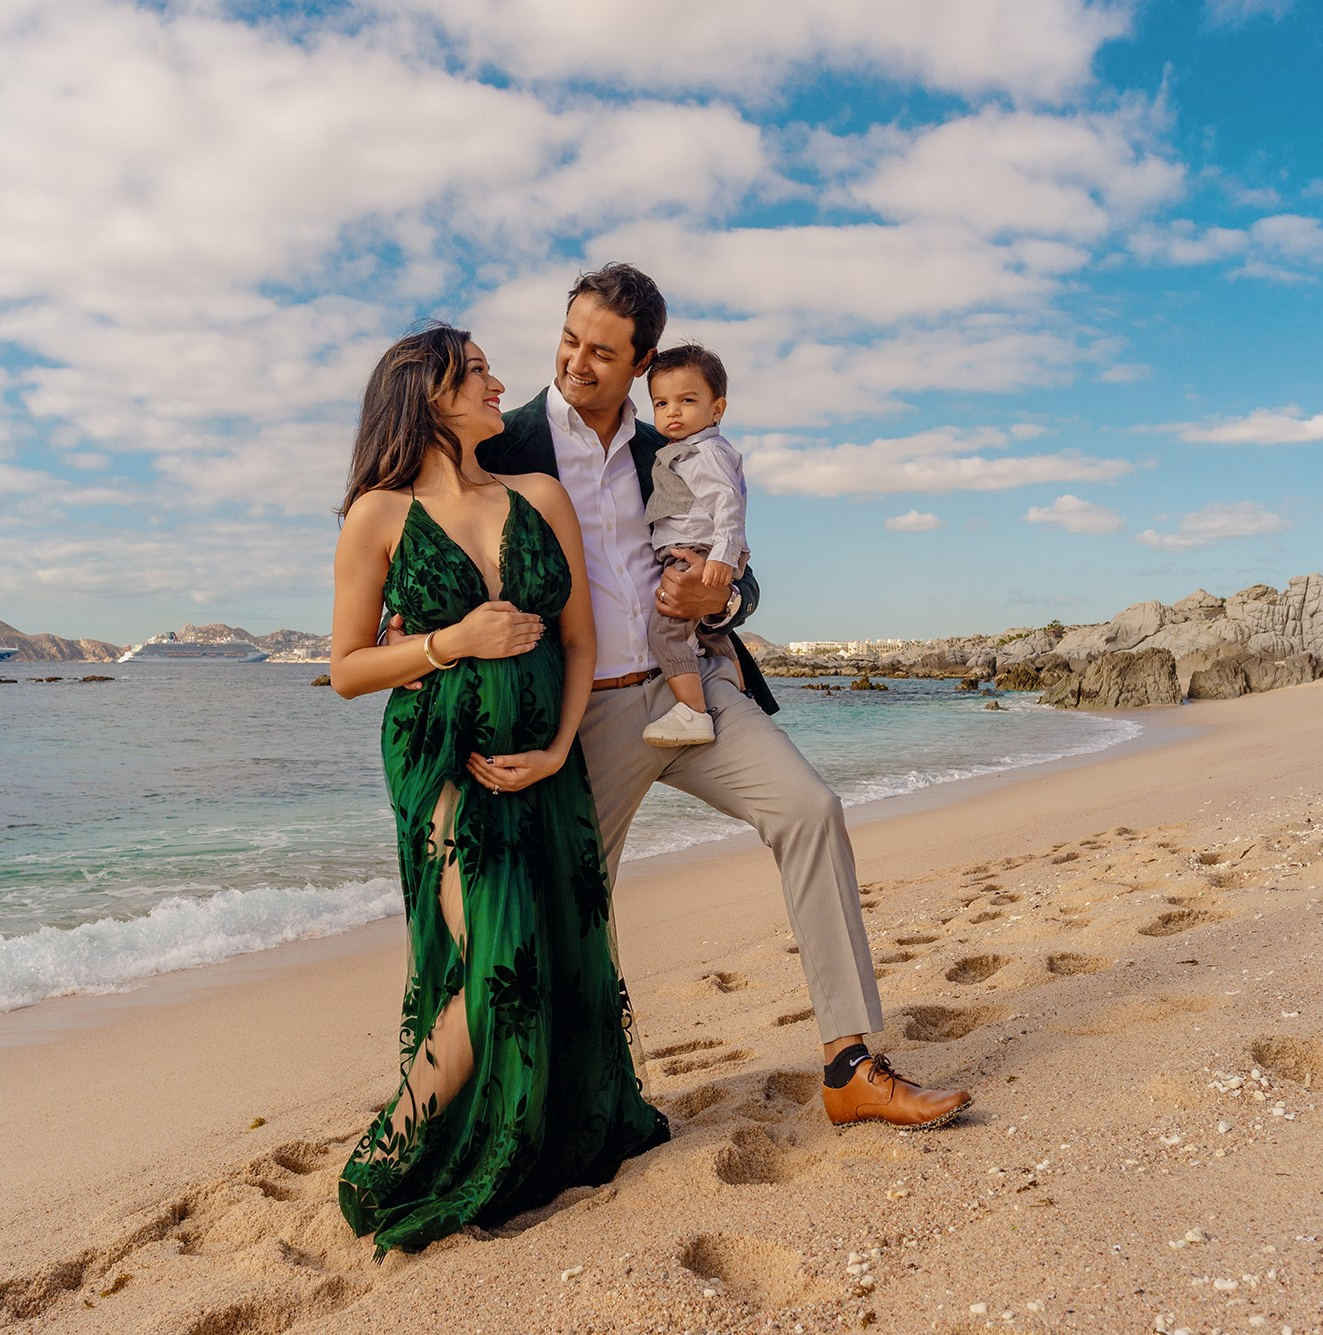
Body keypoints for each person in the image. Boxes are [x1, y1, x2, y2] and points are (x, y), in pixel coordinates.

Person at [473, 264, 973, 1130]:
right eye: (568, 340)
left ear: (643, 361)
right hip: (580, 715)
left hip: (693, 688)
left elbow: (738, 574)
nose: (575, 363)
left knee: (811, 808)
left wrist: (724, 601)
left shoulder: (670, 441)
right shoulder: (506, 444)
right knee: (579, 906)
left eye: (601, 351)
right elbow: (417, 518)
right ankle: (593, 1101)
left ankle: (850, 1064)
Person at [327, 326, 668, 1255]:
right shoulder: (379, 516)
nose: (498, 384)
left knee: (556, 944)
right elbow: (350, 667)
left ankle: (529, 1132)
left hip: (544, 763)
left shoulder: (541, 495)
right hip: (441, 762)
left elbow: (581, 642)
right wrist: (453, 643)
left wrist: (561, 748)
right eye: (478, 372)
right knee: (495, 966)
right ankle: (387, 1155)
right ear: (426, 391)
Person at [638, 342, 747, 748]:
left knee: (666, 632)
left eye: (686, 400)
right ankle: (737, 690)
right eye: (661, 403)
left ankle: (693, 714)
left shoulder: (706, 453)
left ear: (716, 409)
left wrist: (722, 555)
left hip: (698, 551)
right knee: (710, 635)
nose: (672, 412)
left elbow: (727, 503)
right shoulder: (682, 451)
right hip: (699, 548)